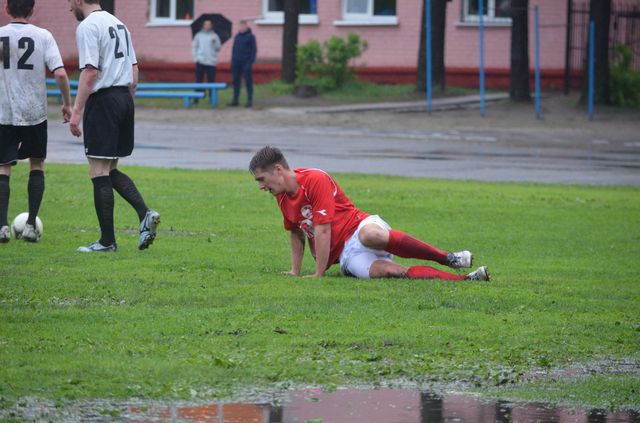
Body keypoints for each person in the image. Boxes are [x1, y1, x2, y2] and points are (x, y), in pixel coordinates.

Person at [249, 146, 490, 281]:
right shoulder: (281, 197)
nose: (261, 186)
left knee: (370, 236)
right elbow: (295, 233)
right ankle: (467, 279)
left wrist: (318, 273)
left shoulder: (314, 179)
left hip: (359, 227)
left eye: (261, 179)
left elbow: (323, 229)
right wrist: (295, 271)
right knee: (391, 272)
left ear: (278, 169)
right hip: (347, 257)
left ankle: (448, 258)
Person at [68, 0, 160, 253]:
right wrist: (124, 103)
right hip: (124, 98)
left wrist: (76, 111)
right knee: (109, 169)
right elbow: (134, 70)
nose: (69, 7)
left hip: (104, 100)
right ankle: (144, 213)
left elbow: (90, 71)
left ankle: (107, 241)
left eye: (69, 1)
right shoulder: (119, 24)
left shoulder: (88, 26)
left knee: (98, 171)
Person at [0, 0, 72, 243]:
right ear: (32, 10)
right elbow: (60, 73)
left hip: (4, 112)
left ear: (7, 9)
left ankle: (2, 227)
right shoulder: (43, 36)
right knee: (37, 164)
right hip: (34, 113)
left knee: (3, 167)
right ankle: (31, 226)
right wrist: (67, 104)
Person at [191, 19, 221, 103]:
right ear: (203, 26)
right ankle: (196, 98)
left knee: (211, 81)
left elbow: (218, 48)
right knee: (198, 80)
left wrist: (214, 42)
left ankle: (212, 98)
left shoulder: (215, 36)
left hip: (211, 62)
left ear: (211, 26)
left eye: (209, 24)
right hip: (200, 61)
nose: (207, 26)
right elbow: (194, 47)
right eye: (206, 24)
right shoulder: (198, 35)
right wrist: (195, 58)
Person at [230, 20, 256, 108]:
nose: (241, 28)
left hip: (246, 62)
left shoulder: (251, 37)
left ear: (246, 27)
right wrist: (232, 60)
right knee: (236, 81)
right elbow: (234, 49)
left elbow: (253, 50)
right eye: (240, 26)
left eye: (242, 26)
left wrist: (250, 61)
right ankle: (235, 100)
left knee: (248, 81)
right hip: (236, 62)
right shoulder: (237, 37)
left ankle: (249, 100)